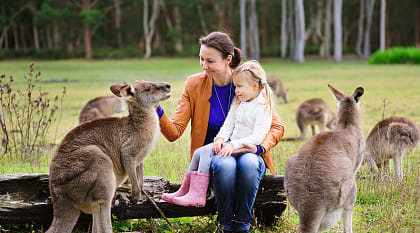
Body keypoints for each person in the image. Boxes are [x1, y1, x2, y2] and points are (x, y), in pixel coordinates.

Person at [157, 31, 284, 233]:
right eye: (201, 59)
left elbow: (277, 127)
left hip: (249, 150)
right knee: (225, 167)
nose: (203, 66)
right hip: (216, 153)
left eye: (210, 61)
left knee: (250, 164)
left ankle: (242, 224)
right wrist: (156, 109)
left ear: (228, 59)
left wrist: (260, 147)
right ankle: (224, 224)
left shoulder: (250, 82)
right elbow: (174, 132)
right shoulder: (194, 85)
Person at [162, 60, 274, 208]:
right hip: (231, 144)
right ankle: (185, 190)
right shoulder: (239, 101)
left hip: (244, 148)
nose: (236, 90)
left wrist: (241, 145)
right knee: (198, 153)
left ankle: (197, 195)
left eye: (239, 87)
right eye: (236, 87)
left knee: (207, 155)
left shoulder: (262, 105)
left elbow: (261, 135)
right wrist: (220, 138)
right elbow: (228, 124)